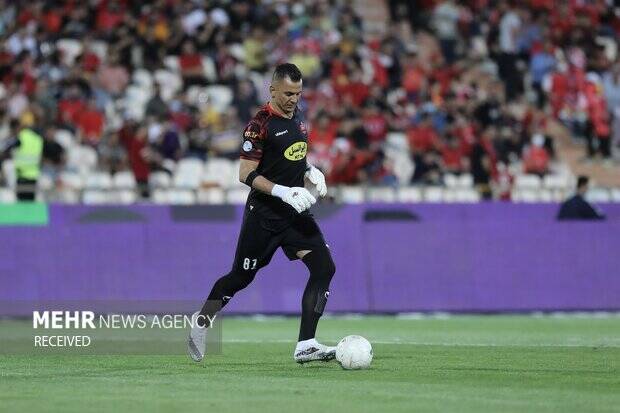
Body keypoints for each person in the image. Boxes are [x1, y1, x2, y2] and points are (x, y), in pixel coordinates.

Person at [188, 63, 336, 364]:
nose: (293, 99)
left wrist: (310, 169)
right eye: (287, 93)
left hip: (295, 215)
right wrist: (283, 191)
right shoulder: (259, 125)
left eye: (297, 93)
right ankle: (202, 322)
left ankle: (306, 344)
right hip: (264, 216)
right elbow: (245, 173)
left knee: (324, 267)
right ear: (272, 90)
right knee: (240, 278)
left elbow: (289, 157)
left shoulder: (298, 119)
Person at [0, 120, 44, 201]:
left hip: (21, 173)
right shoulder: (38, 139)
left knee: (21, 200)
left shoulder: (21, 137)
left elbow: (6, 148)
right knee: (30, 200)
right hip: (34, 174)